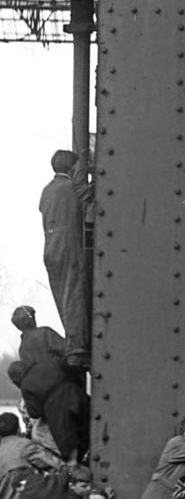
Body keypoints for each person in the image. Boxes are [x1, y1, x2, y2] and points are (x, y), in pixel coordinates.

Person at [39, 148, 92, 368]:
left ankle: (73, 343)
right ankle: (78, 348)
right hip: (69, 243)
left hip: (50, 247)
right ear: (72, 167)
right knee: (75, 294)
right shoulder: (72, 187)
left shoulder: (47, 190)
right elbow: (89, 196)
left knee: (62, 296)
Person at [6, 359, 89, 462]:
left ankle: (73, 471)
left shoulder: (26, 386)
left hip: (58, 412)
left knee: (69, 447)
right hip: (77, 395)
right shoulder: (48, 363)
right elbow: (73, 374)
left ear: (15, 379)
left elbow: (35, 413)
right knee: (88, 427)